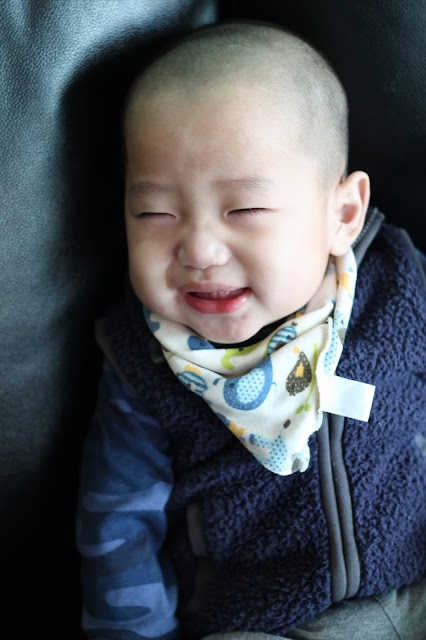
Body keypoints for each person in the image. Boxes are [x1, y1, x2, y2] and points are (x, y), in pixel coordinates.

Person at [77, 21, 426, 640]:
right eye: (155, 213)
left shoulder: (400, 287)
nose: (199, 250)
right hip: (261, 619)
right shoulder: (143, 361)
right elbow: (119, 523)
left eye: (245, 209)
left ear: (342, 215)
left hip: (414, 579)